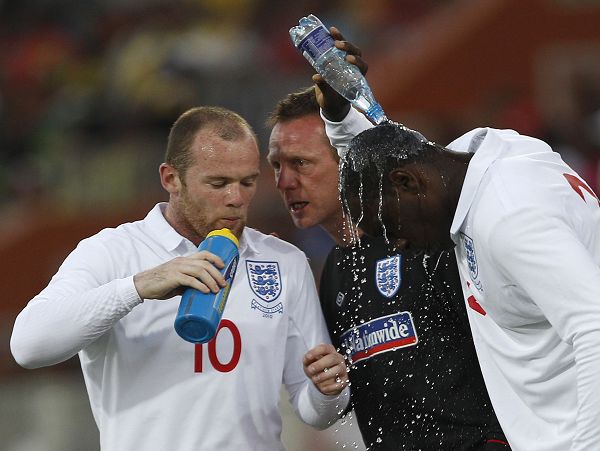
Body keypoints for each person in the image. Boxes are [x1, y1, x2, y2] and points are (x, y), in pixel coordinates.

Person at [10, 106, 350, 451]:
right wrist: (137, 287)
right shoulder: (112, 252)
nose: (236, 199)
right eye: (218, 183)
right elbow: (28, 345)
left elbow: (314, 410)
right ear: (171, 178)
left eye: (247, 182)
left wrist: (327, 391)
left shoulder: (283, 261)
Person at [321, 32, 600, 451]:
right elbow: (390, 155)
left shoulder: (509, 219)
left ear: (407, 184)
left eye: (390, 228)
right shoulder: (488, 155)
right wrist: (341, 115)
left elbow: (594, 324)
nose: (396, 245)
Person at [266, 86, 509, 449]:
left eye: (300, 163)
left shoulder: (423, 239)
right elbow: (347, 399)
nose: (284, 182)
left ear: (346, 160)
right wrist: (326, 384)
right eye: (276, 166)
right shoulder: (334, 270)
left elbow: (503, 345)